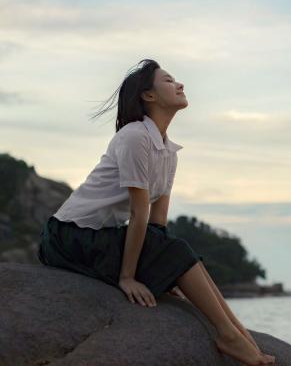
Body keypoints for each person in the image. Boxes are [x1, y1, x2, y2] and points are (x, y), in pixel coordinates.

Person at [37, 59, 276, 366]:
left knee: (176, 250)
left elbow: (157, 225)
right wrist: (128, 277)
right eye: (168, 80)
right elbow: (139, 214)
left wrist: (165, 272)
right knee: (175, 249)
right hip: (70, 237)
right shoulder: (135, 136)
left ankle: (241, 336)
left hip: (102, 236)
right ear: (148, 96)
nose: (180, 84)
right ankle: (228, 336)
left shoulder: (168, 151)